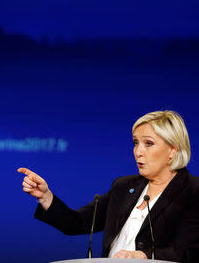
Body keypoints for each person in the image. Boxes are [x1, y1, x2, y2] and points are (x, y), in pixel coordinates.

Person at [18, 110, 199, 262]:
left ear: (172, 151)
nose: (138, 151)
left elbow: (188, 252)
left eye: (148, 143)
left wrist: (145, 256)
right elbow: (77, 223)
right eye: (135, 143)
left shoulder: (193, 190)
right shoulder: (123, 187)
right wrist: (45, 197)